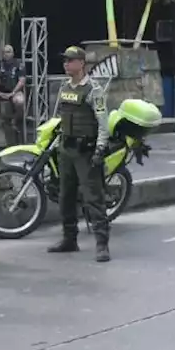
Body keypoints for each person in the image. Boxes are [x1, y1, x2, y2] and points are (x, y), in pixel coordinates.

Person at [49, 45, 112, 262]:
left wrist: (100, 149)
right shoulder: (65, 87)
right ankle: (69, 239)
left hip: (86, 151)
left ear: (81, 63)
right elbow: (61, 117)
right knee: (65, 196)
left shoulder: (94, 90)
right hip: (66, 149)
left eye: (70, 60)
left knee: (93, 198)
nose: (66, 64)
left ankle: (102, 244)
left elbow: (103, 123)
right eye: (65, 60)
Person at [0, 45, 26, 143]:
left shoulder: (19, 64)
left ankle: (15, 120)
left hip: (14, 91)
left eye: (8, 52)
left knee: (20, 101)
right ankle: (0, 118)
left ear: (13, 53)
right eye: (4, 52)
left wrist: (13, 93)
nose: (6, 54)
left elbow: (22, 81)